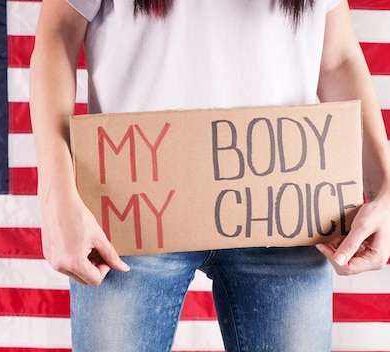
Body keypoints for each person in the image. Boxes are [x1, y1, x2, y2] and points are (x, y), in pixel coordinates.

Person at [29, 0, 390, 350]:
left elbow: (337, 56)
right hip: (132, 204)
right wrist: (55, 191)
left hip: (284, 205)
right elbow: (58, 29)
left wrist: (384, 187)